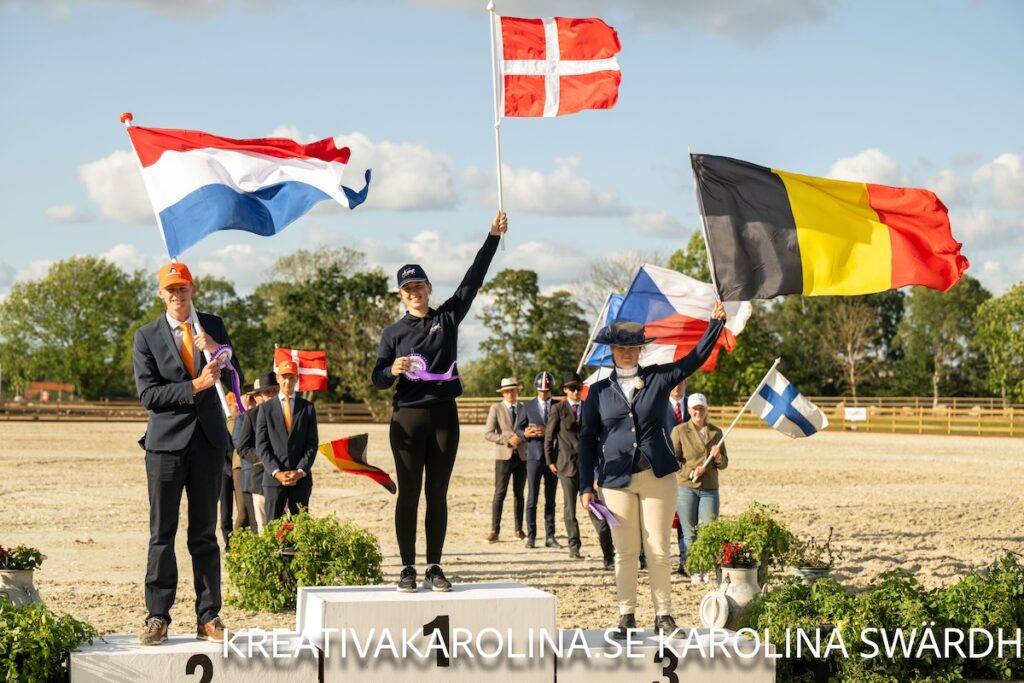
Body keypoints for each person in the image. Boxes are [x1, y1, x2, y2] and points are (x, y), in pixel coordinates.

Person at [371, 211, 508, 593]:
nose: (414, 292)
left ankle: (434, 565)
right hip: (407, 418)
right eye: (407, 288)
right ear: (400, 294)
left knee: (437, 493)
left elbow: (473, 280)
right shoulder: (392, 333)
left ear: (429, 288)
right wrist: (392, 370)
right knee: (409, 492)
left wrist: (492, 237)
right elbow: (377, 378)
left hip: (444, 416)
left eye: (419, 285)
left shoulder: (447, 318)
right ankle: (407, 568)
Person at [579, 303, 727, 638]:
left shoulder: (659, 377)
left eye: (633, 348)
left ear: (641, 350)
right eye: (621, 348)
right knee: (626, 550)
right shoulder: (598, 392)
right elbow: (586, 439)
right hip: (615, 481)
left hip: (657, 476)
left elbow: (694, 359)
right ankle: (626, 616)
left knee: (658, 547)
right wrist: (586, 484)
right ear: (611, 351)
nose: (627, 353)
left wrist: (714, 326)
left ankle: (664, 616)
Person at [133, 262, 243, 645]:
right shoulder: (146, 336)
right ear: (161, 294)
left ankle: (209, 616)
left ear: (192, 289)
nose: (178, 295)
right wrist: (195, 385)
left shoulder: (212, 325)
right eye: (171, 289)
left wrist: (217, 350)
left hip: (209, 444)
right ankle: (157, 616)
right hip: (165, 447)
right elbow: (148, 395)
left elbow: (236, 375)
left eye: (183, 288)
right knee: (161, 534)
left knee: (205, 534)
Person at [545, 371, 615, 567]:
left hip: (589, 467)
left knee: (597, 510)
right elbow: (549, 436)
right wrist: (550, 460)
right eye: (573, 388)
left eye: (579, 388)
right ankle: (574, 547)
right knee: (570, 510)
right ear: (565, 390)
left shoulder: (590, 406)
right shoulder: (557, 409)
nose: (576, 392)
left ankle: (608, 554)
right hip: (566, 466)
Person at [674, 392, 728, 584]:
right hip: (686, 487)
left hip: (709, 488)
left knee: (707, 531)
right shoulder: (679, 431)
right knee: (689, 533)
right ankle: (694, 569)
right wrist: (691, 471)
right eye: (695, 408)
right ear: (689, 410)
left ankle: (705, 568)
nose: (698, 412)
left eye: (701, 408)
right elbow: (673, 461)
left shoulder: (716, 433)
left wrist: (718, 456)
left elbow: (724, 464)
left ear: (706, 409)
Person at [256, 360, 318, 521]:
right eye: (284, 377)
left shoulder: (308, 408)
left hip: (301, 480)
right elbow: (262, 445)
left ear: (297, 379)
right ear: (277, 378)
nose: (287, 382)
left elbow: (312, 444)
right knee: (273, 530)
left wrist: (300, 471)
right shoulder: (265, 409)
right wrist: (277, 472)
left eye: (291, 377)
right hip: (274, 481)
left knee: (301, 528)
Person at [516, 371, 560, 549]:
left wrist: (549, 431)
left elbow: (564, 429)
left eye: (547, 391)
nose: (544, 394)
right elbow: (518, 429)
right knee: (532, 497)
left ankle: (550, 536)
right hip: (534, 457)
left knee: (551, 498)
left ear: (551, 390)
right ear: (536, 389)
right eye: (541, 391)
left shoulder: (558, 405)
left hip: (554, 458)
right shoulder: (527, 406)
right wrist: (526, 434)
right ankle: (531, 536)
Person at [484, 377, 527, 543]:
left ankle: (519, 529)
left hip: (522, 456)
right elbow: (488, 433)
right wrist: (506, 439)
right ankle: (494, 530)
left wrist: (521, 437)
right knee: (499, 493)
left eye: (513, 390)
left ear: (517, 391)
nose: (510, 393)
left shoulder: (524, 408)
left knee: (519, 494)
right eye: (507, 391)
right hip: (503, 456)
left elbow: (528, 429)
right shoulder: (496, 408)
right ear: (502, 393)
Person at [237, 372, 279, 532]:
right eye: (268, 392)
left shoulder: (288, 412)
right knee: (263, 529)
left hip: (286, 481)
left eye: (275, 391)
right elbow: (242, 447)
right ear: (260, 395)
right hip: (261, 479)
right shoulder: (251, 416)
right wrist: (266, 459)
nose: (272, 395)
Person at [668, 379, 688, 574]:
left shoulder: (693, 407)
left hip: (687, 474)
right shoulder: (657, 405)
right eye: (674, 383)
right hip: (662, 472)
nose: (677, 387)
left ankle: (685, 561)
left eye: (681, 382)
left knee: (684, 518)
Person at [231, 388, 257, 535]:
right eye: (249, 397)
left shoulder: (265, 412)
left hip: (260, 469)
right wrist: (245, 410)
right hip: (241, 467)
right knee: (243, 513)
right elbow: (238, 441)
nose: (253, 400)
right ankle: (235, 545)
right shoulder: (237, 416)